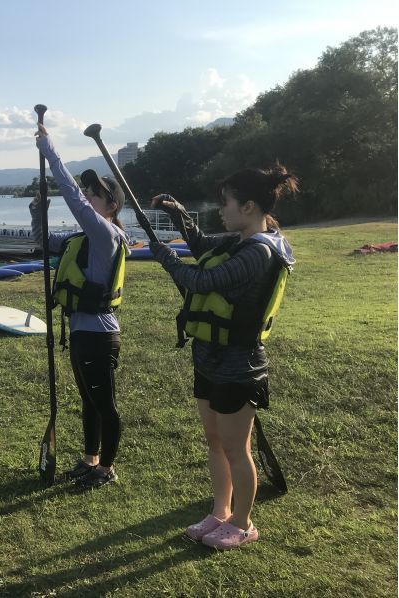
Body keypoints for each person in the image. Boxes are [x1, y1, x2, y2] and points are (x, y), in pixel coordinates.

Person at [147, 164, 298, 549]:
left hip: (239, 362)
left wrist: (165, 257)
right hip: (208, 356)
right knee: (215, 441)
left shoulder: (258, 253)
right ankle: (220, 512)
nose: (220, 211)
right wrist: (178, 215)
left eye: (225, 203)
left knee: (235, 447)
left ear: (248, 206)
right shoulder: (241, 239)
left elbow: (202, 280)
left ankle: (244, 523)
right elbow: (201, 247)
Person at [31, 124, 130, 490]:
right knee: (88, 400)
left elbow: (72, 197)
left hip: (99, 336)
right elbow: (44, 242)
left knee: (105, 404)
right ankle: (90, 459)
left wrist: (49, 151)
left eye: (96, 194)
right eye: (89, 190)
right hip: (82, 332)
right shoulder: (83, 239)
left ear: (112, 206)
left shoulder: (106, 235)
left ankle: (107, 467)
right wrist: (36, 212)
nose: (88, 195)